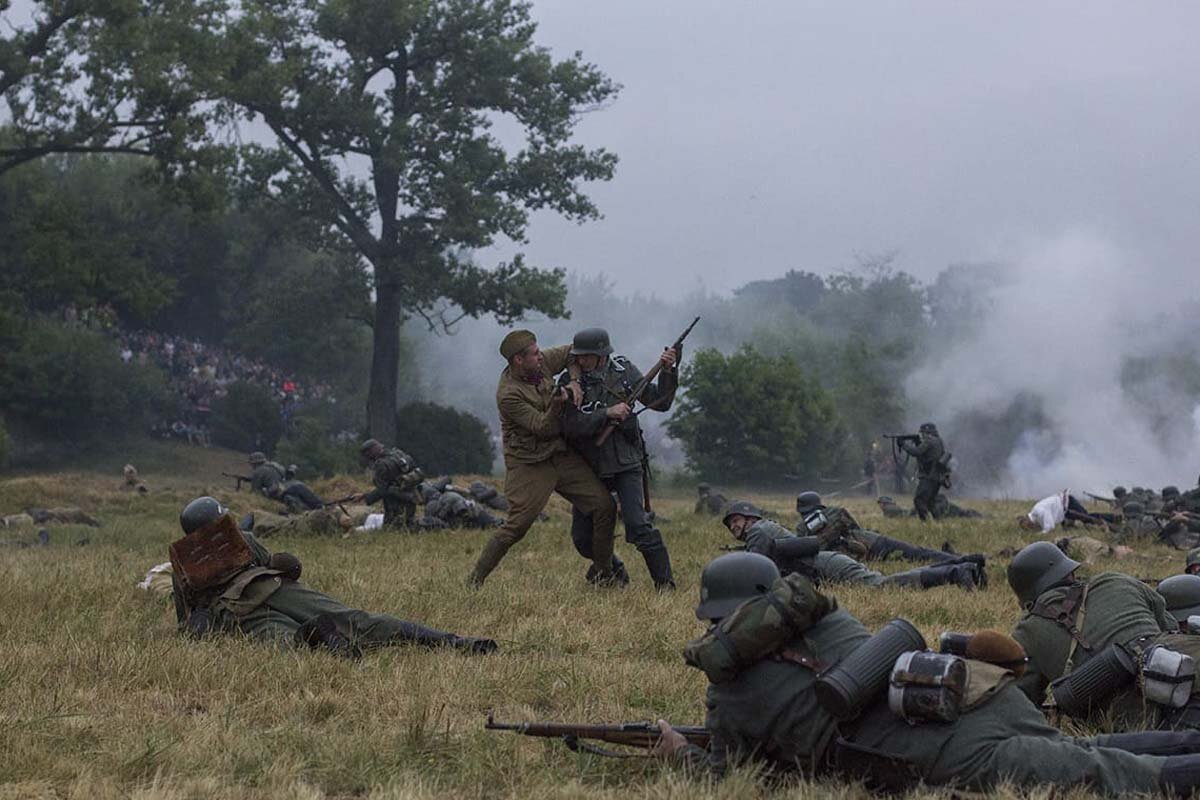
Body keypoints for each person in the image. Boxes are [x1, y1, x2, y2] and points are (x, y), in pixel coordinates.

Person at [651, 553, 1200, 795]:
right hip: (975, 693)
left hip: (949, 751)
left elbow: (732, 781)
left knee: (1104, 776)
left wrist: (678, 749)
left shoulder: (731, 695)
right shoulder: (831, 618)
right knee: (1086, 752)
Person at [170, 497, 496, 656]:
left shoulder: (181, 569)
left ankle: (316, 637)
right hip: (274, 586)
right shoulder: (242, 539)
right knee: (355, 618)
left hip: (238, 613)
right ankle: (451, 641)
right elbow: (281, 562)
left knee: (286, 642)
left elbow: (189, 624)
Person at [467, 330, 617, 587]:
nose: (541, 356)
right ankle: (475, 580)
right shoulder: (509, 395)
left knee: (605, 506)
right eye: (535, 354)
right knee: (517, 526)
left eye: (539, 352)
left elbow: (574, 351)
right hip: (529, 463)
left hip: (559, 453)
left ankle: (605, 574)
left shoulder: (542, 361)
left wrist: (573, 379)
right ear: (518, 361)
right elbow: (542, 426)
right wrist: (559, 403)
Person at [1008, 541, 1200, 730]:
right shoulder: (1117, 580)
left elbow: (1020, 699)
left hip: (1134, 724)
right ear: (1070, 571)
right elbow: (1170, 625)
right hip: (1183, 671)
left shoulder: (1026, 632)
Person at [560, 327, 679, 589]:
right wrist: (606, 413)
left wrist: (669, 369)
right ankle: (614, 572)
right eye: (578, 356)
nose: (581, 361)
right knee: (582, 539)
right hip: (588, 467)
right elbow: (569, 426)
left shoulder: (623, 371)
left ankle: (665, 585)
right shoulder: (568, 383)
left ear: (601, 355)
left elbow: (661, 401)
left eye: (586, 356)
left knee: (638, 526)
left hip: (625, 462)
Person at [722, 500, 983, 590]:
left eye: (736, 520)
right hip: (826, 565)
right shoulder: (767, 528)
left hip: (828, 566)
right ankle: (962, 565)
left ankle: (953, 572)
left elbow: (752, 573)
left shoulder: (757, 532)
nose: (733, 526)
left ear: (750, 518)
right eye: (730, 524)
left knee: (882, 586)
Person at [795, 491, 976, 566]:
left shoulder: (801, 530)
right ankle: (959, 559)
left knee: (915, 560)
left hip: (855, 559)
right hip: (874, 543)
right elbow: (854, 528)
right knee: (918, 553)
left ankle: (955, 559)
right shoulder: (835, 512)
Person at [354, 439, 423, 528]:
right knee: (408, 521)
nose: (368, 457)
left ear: (372, 451)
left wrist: (366, 497)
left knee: (392, 527)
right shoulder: (398, 453)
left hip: (395, 502)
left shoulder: (381, 465)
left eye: (367, 454)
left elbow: (382, 490)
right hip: (411, 497)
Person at [898, 423, 949, 520]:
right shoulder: (939, 441)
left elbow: (916, 452)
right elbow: (927, 454)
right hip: (937, 476)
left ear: (927, 433)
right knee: (930, 502)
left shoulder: (929, 441)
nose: (921, 435)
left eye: (922, 433)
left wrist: (903, 445)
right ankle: (937, 521)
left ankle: (925, 521)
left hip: (928, 476)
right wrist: (918, 442)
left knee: (919, 500)